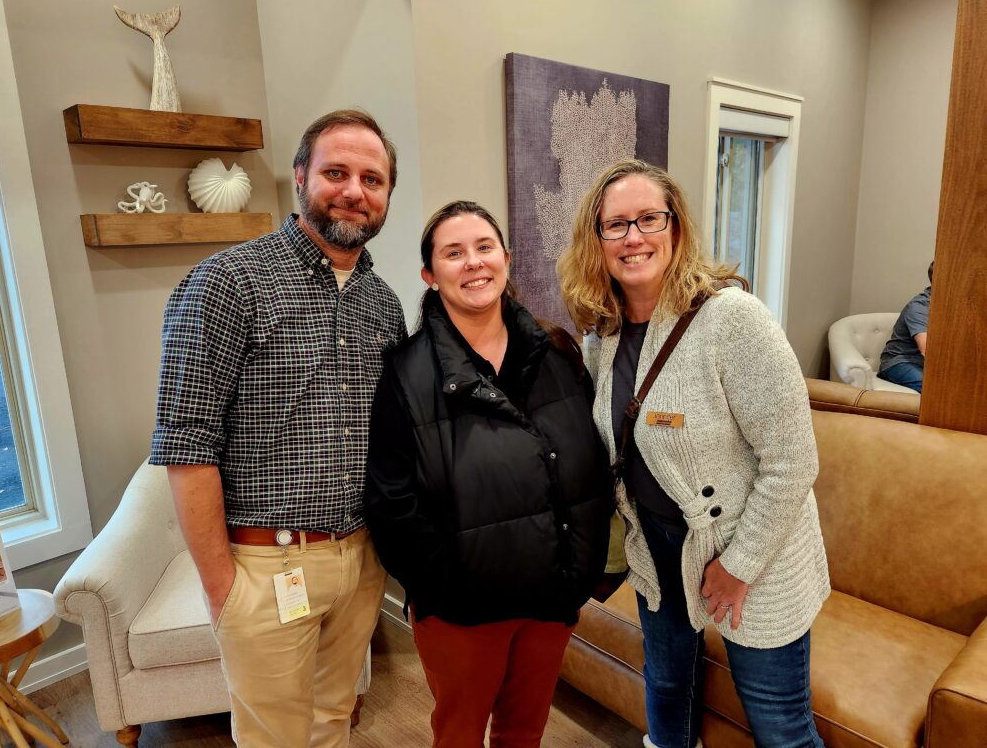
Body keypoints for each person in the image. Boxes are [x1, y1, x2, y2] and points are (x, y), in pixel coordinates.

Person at [150, 108, 407, 748]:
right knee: (274, 740)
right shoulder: (228, 282)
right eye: (336, 172)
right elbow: (185, 445)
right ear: (300, 177)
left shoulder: (384, 303)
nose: (354, 191)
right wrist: (222, 589)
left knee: (332, 722)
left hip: (361, 557)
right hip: (266, 563)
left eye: (372, 180)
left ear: (386, 197)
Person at [557, 160, 829, 748]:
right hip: (656, 549)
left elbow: (793, 462)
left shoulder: (734, 321)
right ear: (596, 240)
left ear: (676, 227)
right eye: (616, 225)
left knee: (780, 724)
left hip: (748, 555)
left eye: (649, 219)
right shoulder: (601, 334)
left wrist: (738, 568)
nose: (634, 237)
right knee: (667, 691)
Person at [364, 201, 612, 748]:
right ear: (430, 275)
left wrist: (584, 566)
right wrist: (447, 585)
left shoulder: (558, 353)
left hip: (551, 596)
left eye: (483, 248)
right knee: (459, 734)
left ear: (507, 258)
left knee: (524, 732)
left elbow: (593, 464)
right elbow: (390, 503)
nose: (473, 263)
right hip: (462, 612)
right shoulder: (405, 374)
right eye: (453, 253)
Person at [878, 261, 933, 392]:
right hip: (900, 362)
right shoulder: (920, 306)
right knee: (935, 389)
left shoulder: (954, 307)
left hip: (924, 364)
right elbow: (927, 350)